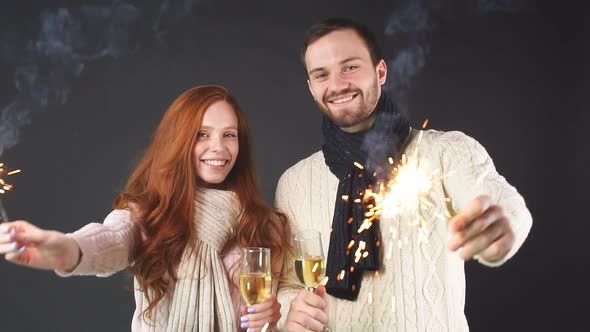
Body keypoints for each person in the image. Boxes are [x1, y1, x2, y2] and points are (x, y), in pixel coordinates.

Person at [275, 18, 532, 331]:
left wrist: (502, 225)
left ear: (380, 71)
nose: (338, 84)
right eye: (321, 74)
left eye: (350, 67)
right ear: (311, 87)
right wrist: (292, 311)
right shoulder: (294, 182)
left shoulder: (447, 151)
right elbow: (289, 283)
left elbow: (503, 203)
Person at [0, 85, 290, 332]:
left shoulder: (264, 225)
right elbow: (110, 241)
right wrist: (63, 249)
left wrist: (274, 318)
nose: (219, 147)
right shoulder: (148, 215)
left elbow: (274, 318)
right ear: (178, 141)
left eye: (229, 135)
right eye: (202, 134)